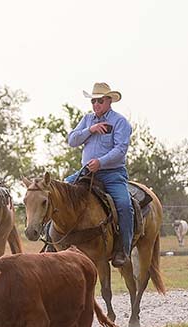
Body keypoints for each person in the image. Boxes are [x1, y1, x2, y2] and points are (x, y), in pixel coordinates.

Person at [66, 82, 133, 267]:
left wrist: (101, 162)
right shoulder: (87, 119)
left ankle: (123, 249)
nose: (96, 104)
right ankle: (53, 240)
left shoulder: (120, 122)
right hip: (86, 172)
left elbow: (120, 149)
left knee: (124, 205)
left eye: (100, 101)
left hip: (112, 173)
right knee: (61, 192)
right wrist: (90, 130)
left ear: (109, 101)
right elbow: (71, 140)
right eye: (93, 101)